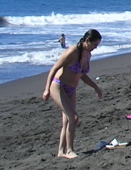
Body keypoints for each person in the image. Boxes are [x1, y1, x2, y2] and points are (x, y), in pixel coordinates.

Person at [41, 29, 103, 158]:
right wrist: (47, 89)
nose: (95, 48)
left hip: (71, 89)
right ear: (87, 41)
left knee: (67, 121)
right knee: (73, 118)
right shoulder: (72, 52)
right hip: (59, 86)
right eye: (94, 45)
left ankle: (61, 151)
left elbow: (82, 75)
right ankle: (69, 150)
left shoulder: (87, 54)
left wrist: (95, 87)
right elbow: (54, 69)